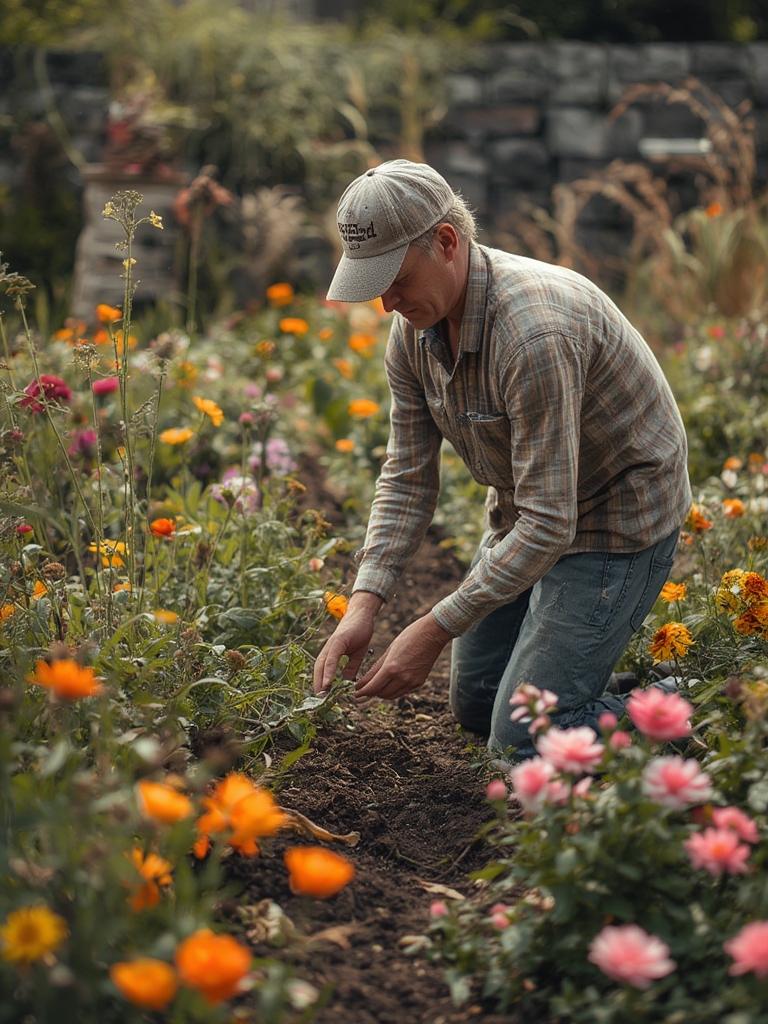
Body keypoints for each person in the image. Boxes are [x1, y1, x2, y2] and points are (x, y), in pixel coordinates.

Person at [313, 159, 692, 762]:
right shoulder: (415, 327)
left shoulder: (535, 333)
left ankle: (703, 702)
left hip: (617, 522)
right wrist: (366, 603)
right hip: (531, 511)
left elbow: (551, 523)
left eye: (396, 278)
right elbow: (407, 477)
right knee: (479, 701)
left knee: (524, 739)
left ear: (446, 242)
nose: (386, 302)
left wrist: (434, 627)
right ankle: (596, 693)